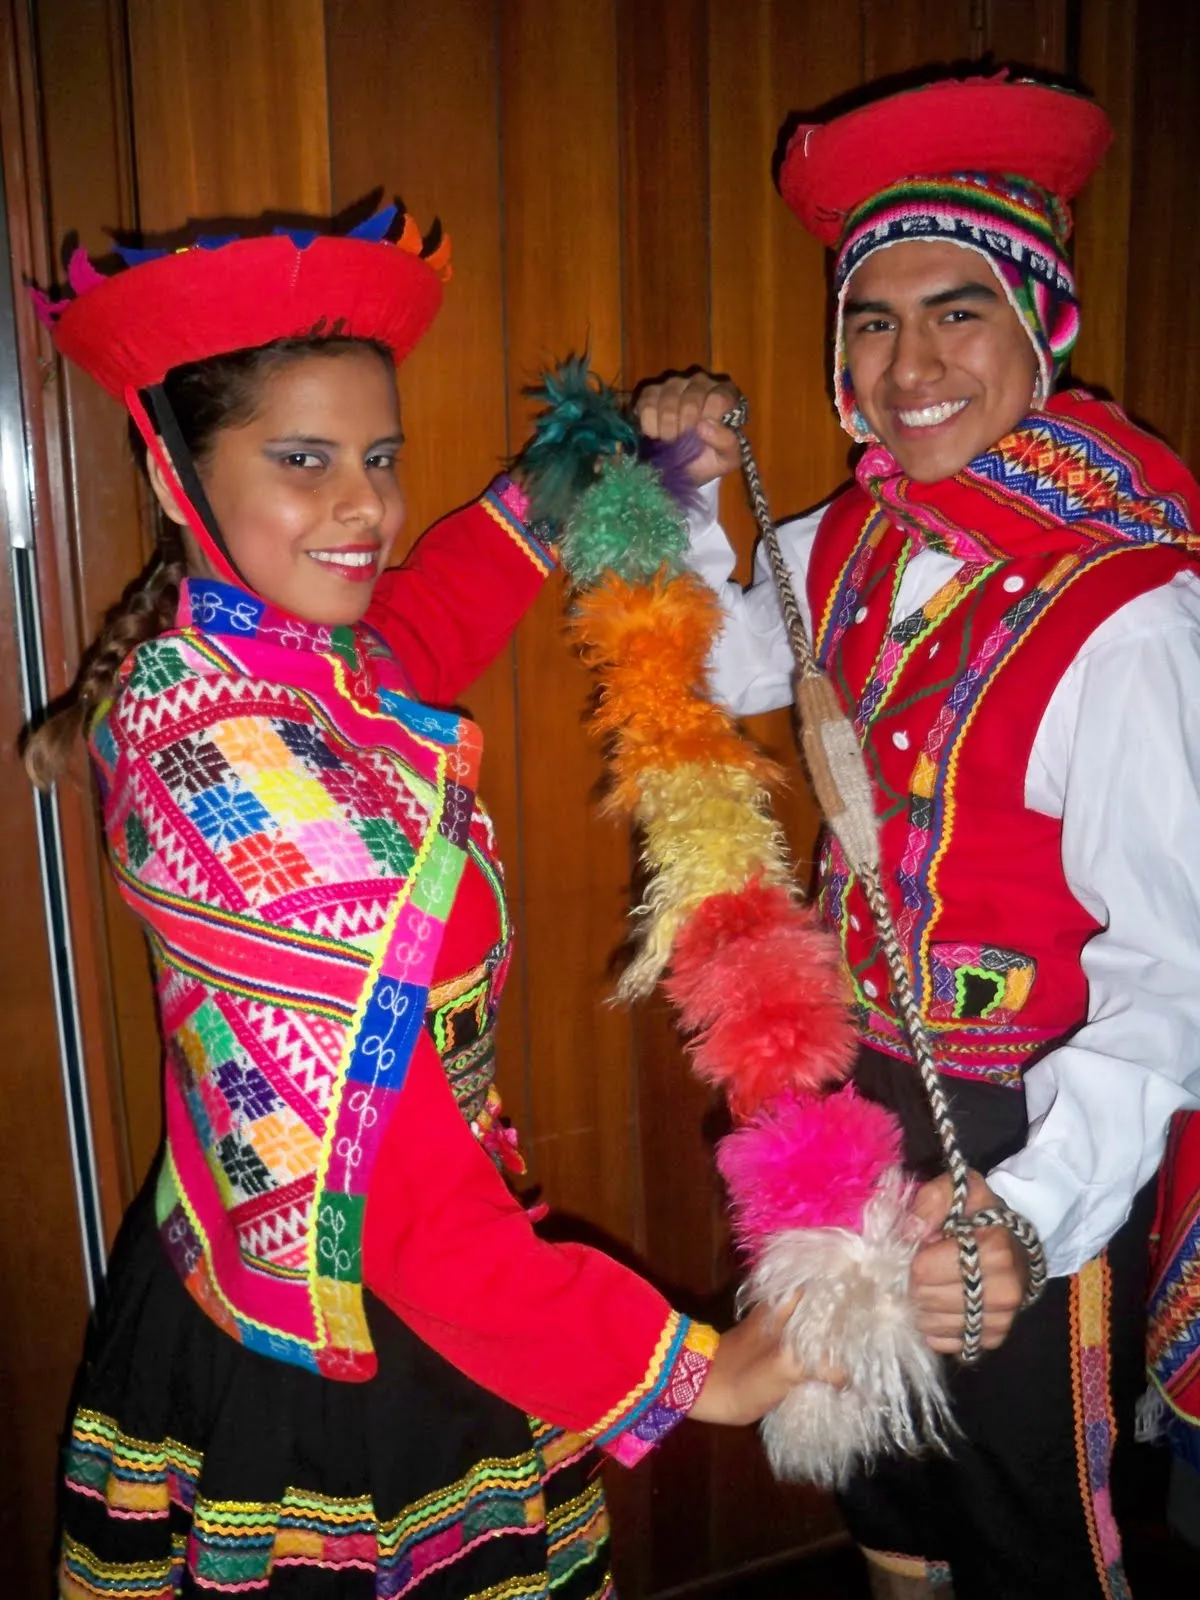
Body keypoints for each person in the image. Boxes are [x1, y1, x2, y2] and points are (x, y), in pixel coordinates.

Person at [28, 207, 822, 1599]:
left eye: (380, 460)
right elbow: (389, 1185)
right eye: (303, 461)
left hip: (420, 1268)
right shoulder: (214, 751)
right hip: (354, 1314)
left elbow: (439, 604)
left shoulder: (287, 661)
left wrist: (612, 459)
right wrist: (689, 1375)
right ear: (176, 472)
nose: (366, 507)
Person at [637, 76, 1200, 1599]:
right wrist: (689, 485)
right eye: (871, 323)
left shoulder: (1130, 615)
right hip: (845, 1084)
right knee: (881, 1466)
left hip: (1030, 1124)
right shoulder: (853, 533)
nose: (910, 365)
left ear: (1042, 327)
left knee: (1021, 1513)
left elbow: (1175, 974)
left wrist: (1028, 1211)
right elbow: (732, 663)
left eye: (957, 312)